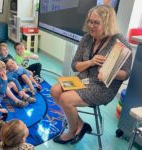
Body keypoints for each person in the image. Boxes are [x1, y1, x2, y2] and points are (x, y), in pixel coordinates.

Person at [51, 5, 132, 144]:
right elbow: (75, 65)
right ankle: (81, 125)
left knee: (65, 98)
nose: (91, 26)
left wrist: (109, 71)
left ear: (107, 23)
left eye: (96, 22)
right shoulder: (87, 38)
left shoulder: (120, 43)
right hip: (82, 79)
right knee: (54, 90)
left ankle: (71, 131)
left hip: (102, 87)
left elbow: (125, 74)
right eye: (89, 21)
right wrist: (90, 62)